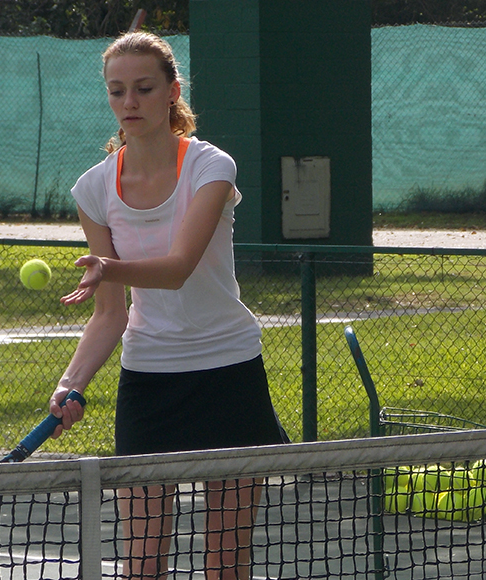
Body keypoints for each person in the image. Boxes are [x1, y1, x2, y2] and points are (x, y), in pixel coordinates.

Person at [48, 31, 287, 580]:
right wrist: (72, 383)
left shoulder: (211, 167)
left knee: (226, 564)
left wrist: (111, 268)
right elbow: (109, 313)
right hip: (149, 380)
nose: (129, 103)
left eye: (143, 88)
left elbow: (178, 268)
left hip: (229, 373)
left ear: (172, 91)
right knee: (143, 563)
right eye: (117, 91)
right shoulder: (93, 189)